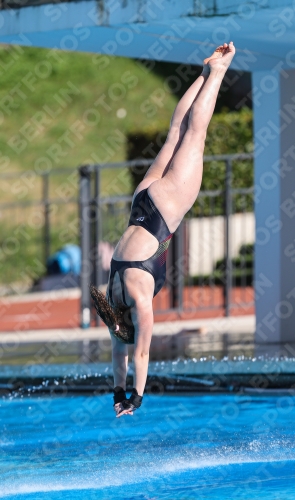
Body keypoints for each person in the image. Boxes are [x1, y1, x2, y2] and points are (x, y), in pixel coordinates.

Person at [90, 42, 236, 417]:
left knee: (194, 136)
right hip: (142, 203)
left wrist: (136, 398)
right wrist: (117, 392)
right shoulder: (112, 298)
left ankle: (218, 72)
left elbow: (139, 351)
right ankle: (204, 72)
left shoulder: (138, 300)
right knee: (175, 132)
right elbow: (118, 355)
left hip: (166, 208)